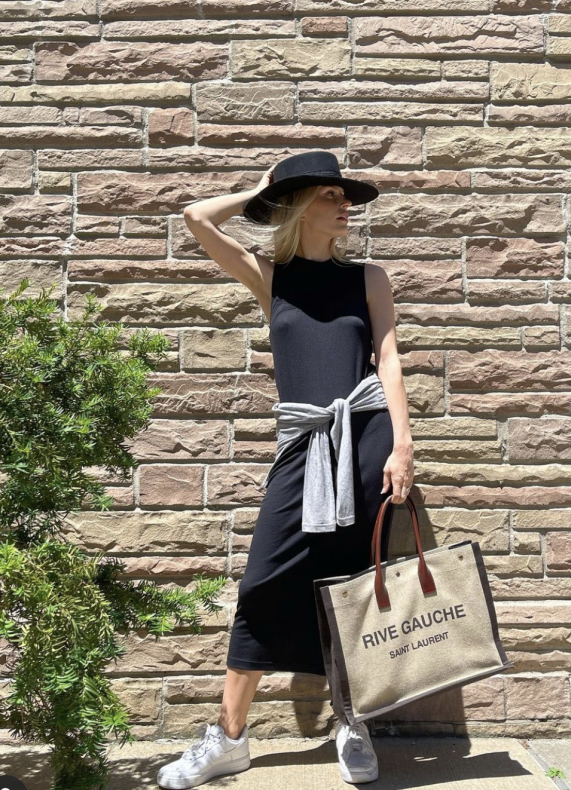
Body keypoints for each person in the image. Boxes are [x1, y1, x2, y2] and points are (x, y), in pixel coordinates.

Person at [157, 151, 415, 789]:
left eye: (343, 194)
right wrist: (263, 189)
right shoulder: (271, 276)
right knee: (264, 581)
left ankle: (352, 724)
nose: (343, 204)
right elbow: (197, 217)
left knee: (349, 588)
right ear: (301, 206)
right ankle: (228, 738)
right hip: (304, 446)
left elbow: (388, 363)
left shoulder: (369, 278)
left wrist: (403, 445)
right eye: (329, 194)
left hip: (364, 440)